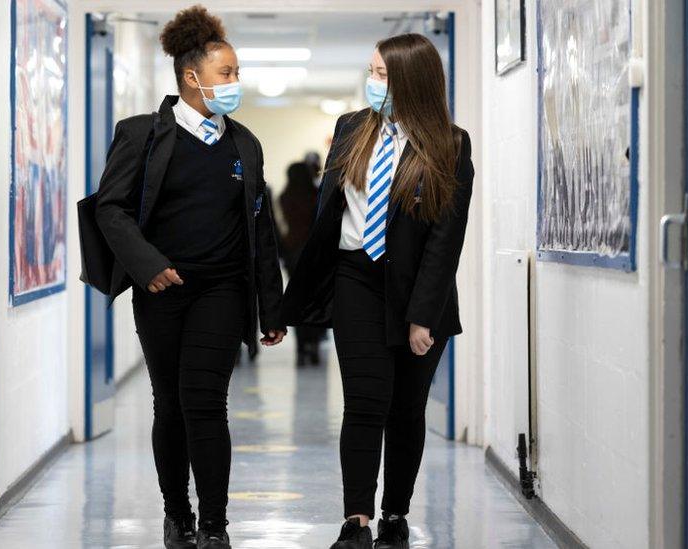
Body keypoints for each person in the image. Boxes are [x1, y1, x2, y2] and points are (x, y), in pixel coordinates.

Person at [94, 6, 286, 549]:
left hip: (223, 290)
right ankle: (176, 513)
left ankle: (215, 524)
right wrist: (148, 266)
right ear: (191, 78)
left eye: (236, 73)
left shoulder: (244, 144)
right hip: (163, 290)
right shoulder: (141, 136)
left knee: (206, 401)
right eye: (227, 73)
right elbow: (111, 208)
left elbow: (261, 230)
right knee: (169, 403)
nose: (234, 83)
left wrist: (272, 308)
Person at [281, 33, 475, 549]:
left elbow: (444, 241)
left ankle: (395, 513)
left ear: (413, 81)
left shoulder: (451, 145)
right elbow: (328, 215)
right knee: (364, 402)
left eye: (384, 75)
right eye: (371, 72)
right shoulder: (351, 130)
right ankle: (357, 520)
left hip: (418, 291)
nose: (374, 84)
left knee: (406, 409)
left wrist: (422, 316)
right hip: (356, 278)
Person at [278, 156, 325, 366]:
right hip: (314, 253)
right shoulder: (316, 196)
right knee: (315, 300)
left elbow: (282, 227)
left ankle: (300, 347)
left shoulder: (284, 197)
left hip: (292, 254)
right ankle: (314, 344)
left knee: (297, 300)